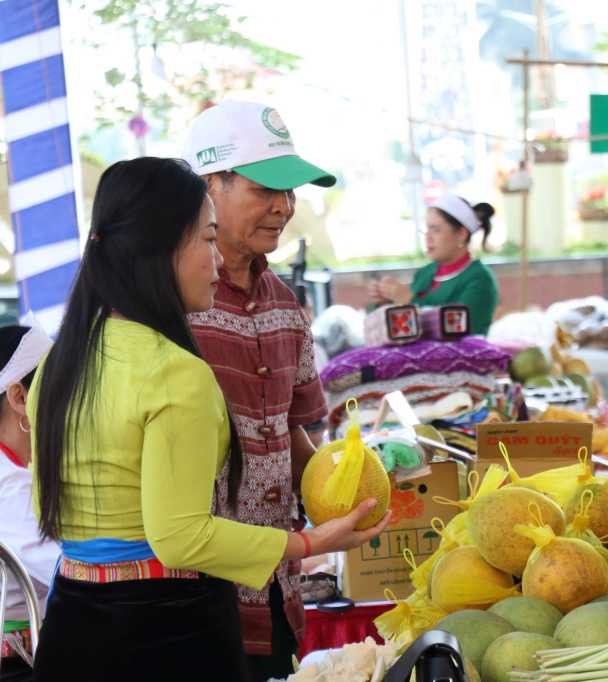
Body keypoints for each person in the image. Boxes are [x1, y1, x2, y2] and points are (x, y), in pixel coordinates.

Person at [28, 158, 389, 682]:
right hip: (165, 631)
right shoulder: (176, 371)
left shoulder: (62, 360)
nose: (217, 260)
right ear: (161, 249)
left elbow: (48, 503)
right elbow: (181, 538)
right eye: (207, 240)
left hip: (72, 621)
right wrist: (314, 543)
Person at [181, 100, 338, 681]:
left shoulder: (285, 304)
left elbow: (289, 431)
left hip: (278, 591)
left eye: (290, 190)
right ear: (209, 185)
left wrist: (347, 490)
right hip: (194, 597)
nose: (284, 205)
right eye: (266, 187)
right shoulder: (169, 304)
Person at [0, 322, 59, 682]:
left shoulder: (18, 472)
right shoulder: (8, 486)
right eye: (58, 387)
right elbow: (71, 573)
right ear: (20, 397)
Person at [369, 193, 500, 335]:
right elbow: (403, 330)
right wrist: (386, 303)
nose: (428, 238)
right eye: (427, 230)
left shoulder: (480, 278)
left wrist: (409, 300)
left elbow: (460, 330)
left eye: (436, 230)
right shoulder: (425, 273)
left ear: (461, 234)